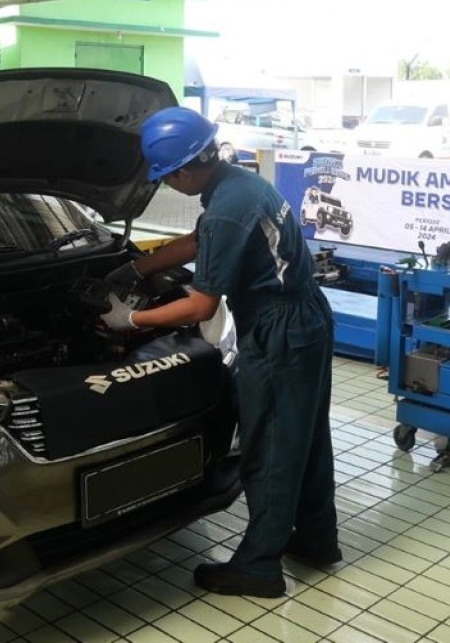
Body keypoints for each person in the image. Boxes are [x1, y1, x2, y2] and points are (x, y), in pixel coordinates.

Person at [100, 107, 341, 598]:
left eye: (167, 178)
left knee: (270, 446)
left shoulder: (230, 205)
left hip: (279, 332)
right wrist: (137, 269)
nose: (167, 186)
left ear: (187, 170)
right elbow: (197, 241)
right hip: (306, 317)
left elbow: (200, 304)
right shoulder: (236, 186)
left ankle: (258, 566)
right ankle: (317, 541)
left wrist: (132, 319)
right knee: (307, 437)